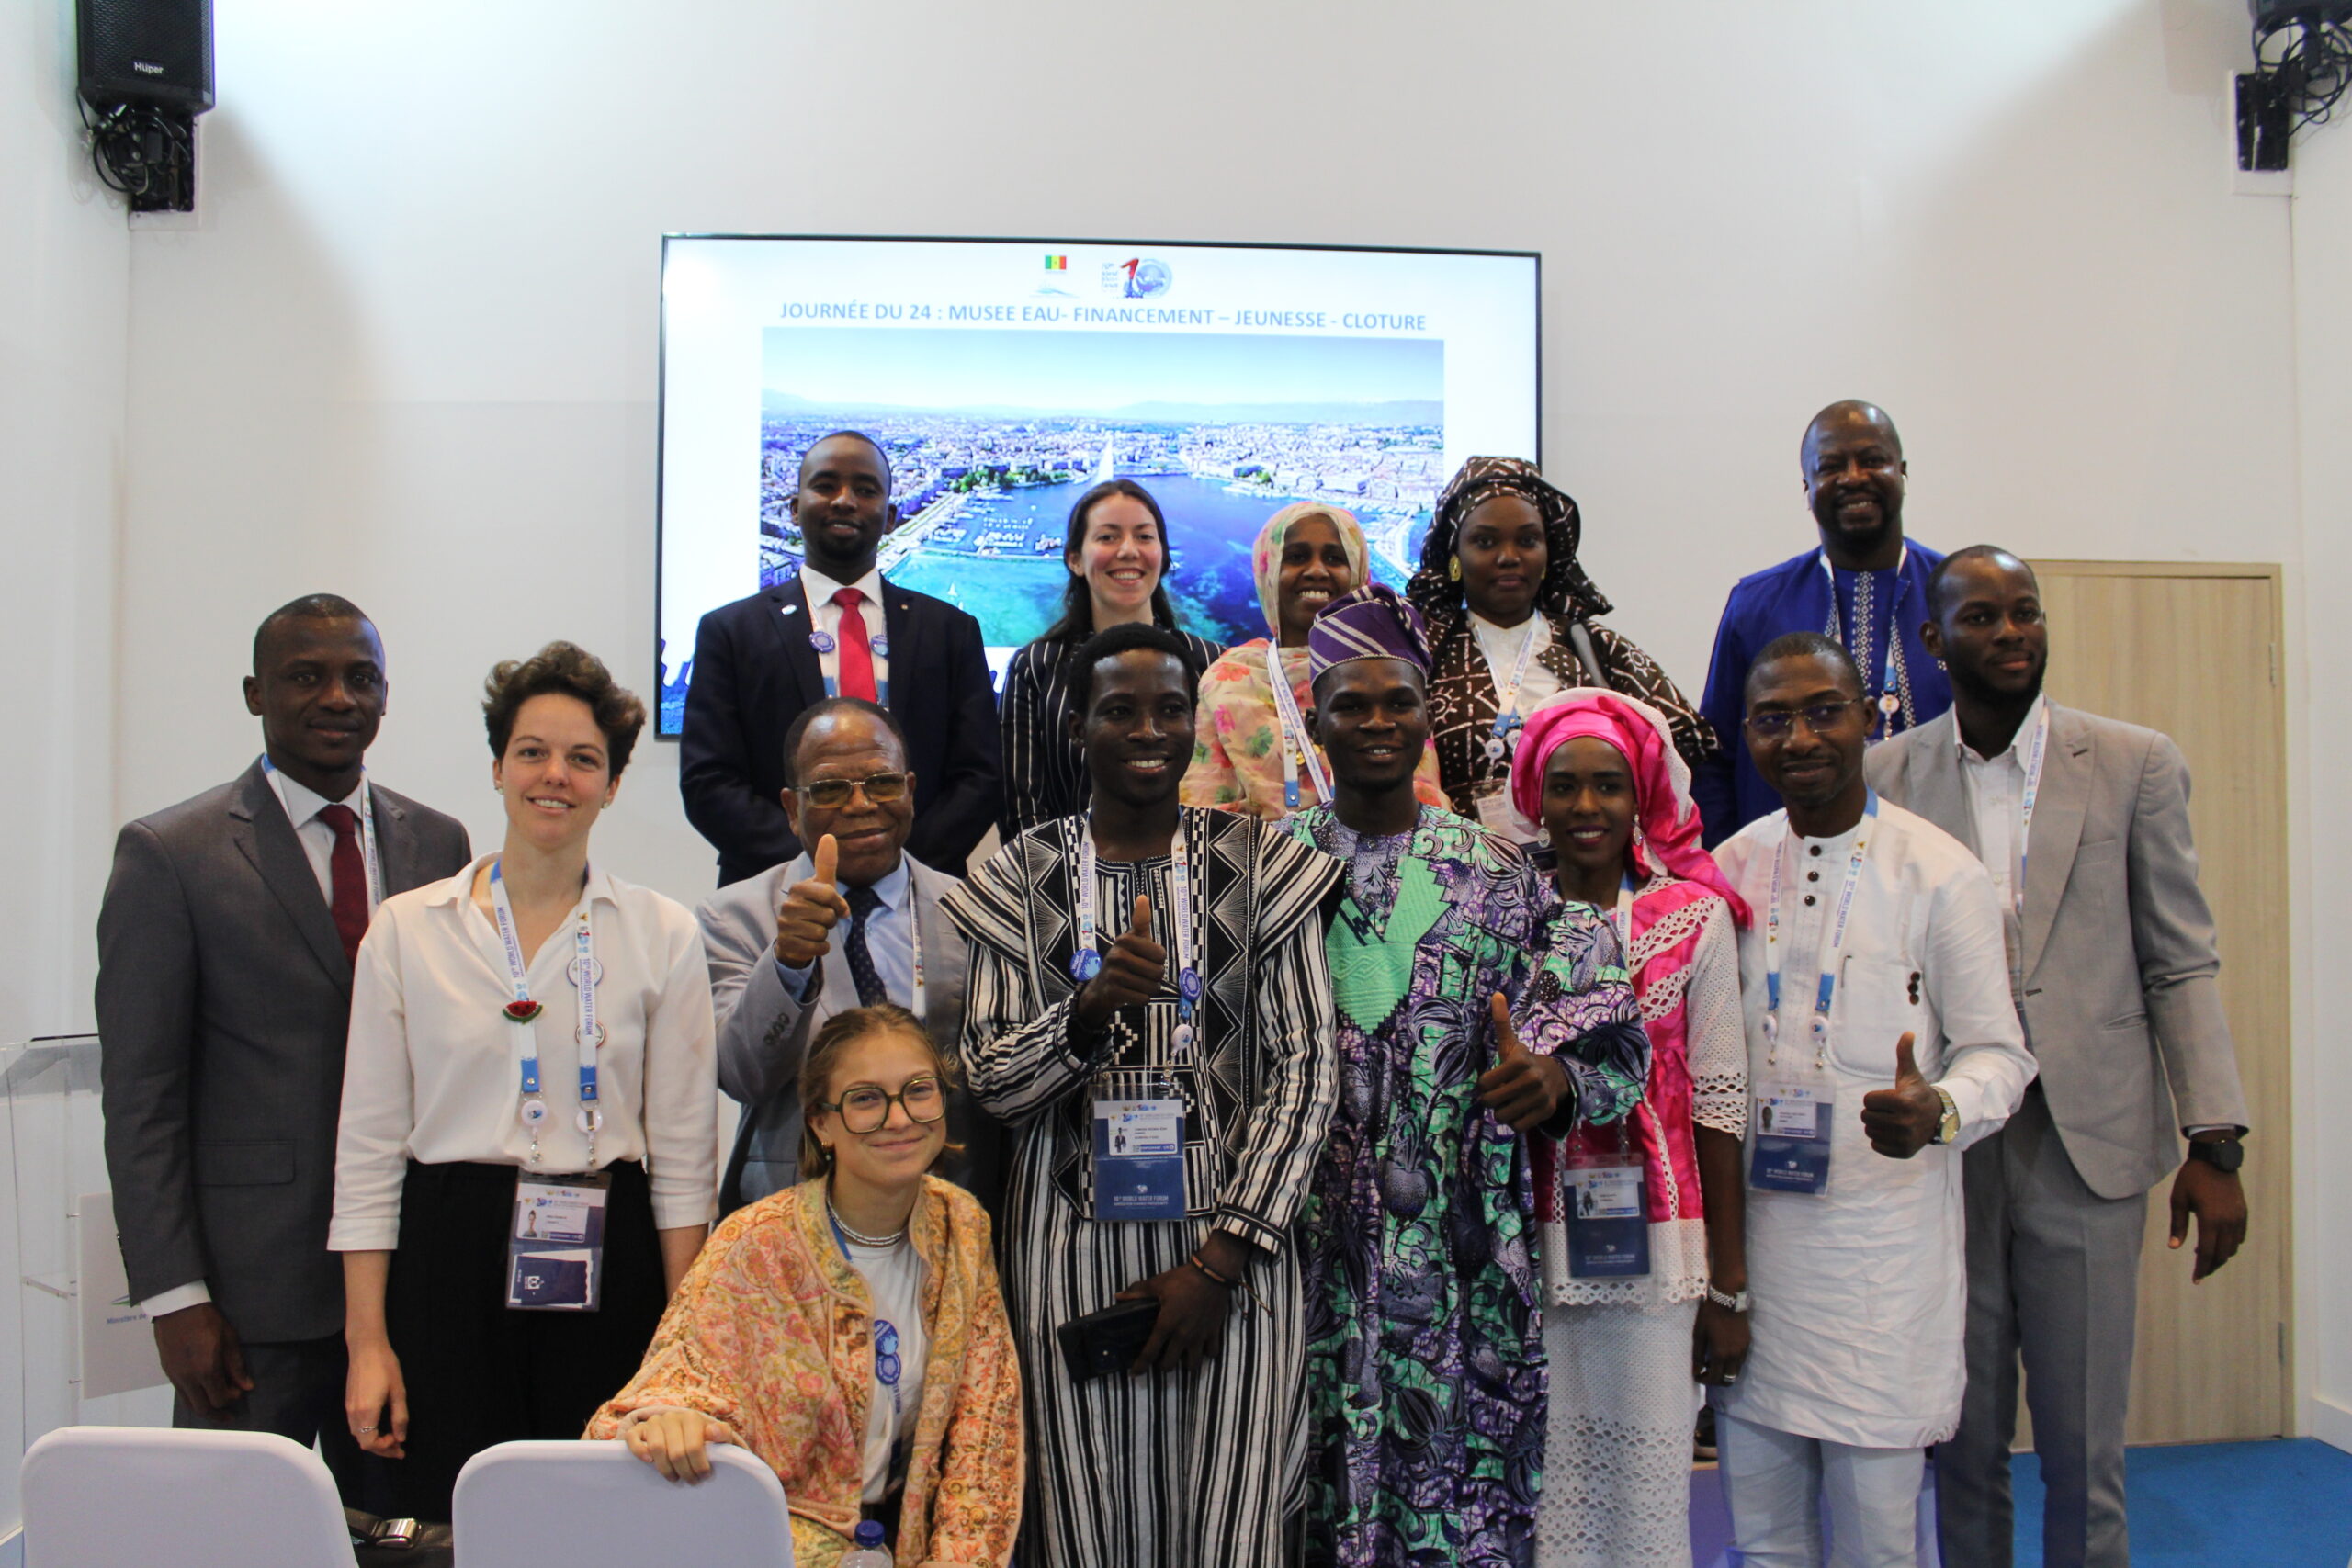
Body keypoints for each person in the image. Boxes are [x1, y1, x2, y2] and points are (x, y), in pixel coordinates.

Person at [1867, 547, 2251, 1568]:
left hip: (2089, 1140)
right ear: (1934, 640)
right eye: (1982, 617)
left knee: (2085, 1445)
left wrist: (2216, 1141)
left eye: (2026, 612)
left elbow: (2180, 960)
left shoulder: (2133, 762)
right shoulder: (1888, 775)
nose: (2011, 633)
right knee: (1962, 1435)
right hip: (1950, 1143)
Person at [939, 621, 1342, 1568]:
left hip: (1236, 1260)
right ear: (1076, 726)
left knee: (1230, 1528)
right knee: (1089, 1522)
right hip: (1071, 1258)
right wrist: (1082, 1018)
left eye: (1169, 710)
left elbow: (1307, 1070)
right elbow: (991, 1079)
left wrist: (1218, 1265)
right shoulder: (1017, 876)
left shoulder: (1264, 865)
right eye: (1119, 711)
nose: (1148, 731)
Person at [1286, 586, 1650, 1567]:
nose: (1376, 722)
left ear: (1426, 717)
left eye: (1398, 702)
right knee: (1302, 1492)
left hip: (1461, 1256)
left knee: (1457, 1498)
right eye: (1351, 704)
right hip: (1301, 1257)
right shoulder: (1269, 871)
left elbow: (1613, 1030)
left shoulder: (1501, 873)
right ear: (1315, 722)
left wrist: (1557, 1080)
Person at [96, 595, 471, 1504]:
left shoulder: (439, 844)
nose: (338, 697)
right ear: (255, 693)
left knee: (406, 1541)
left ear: (385, 695)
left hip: (407, 1285)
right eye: (307, 676)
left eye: (361, 677)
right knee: (231, 1537)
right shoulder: (171, 854)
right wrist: (175, 1298)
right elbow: (142, 1097)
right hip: (246, 1305)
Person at [332, 641, 718, 1518]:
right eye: (532, 752)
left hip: (610, 1248)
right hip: (447, 1254)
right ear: (498, 767)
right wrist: (367, 1341)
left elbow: (685, 1160)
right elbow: (367, 1151)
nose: (556, 776)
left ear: (611, 784)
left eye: (583, 758)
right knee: (453, 1514)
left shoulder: (661, 933)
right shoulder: (407, 930)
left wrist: (683, 1354)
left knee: (601, 1518)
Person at [1711, 632, 2033, 1567]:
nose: (1800, 738)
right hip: (1758, 1264)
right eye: (1773, 719)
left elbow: (2000, 1054)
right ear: (1747, 734)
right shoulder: (1726, 871)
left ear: (1865, 718)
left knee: (1878, 1544)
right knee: (1764, 1541)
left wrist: (1940, 1109)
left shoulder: (1939, 872)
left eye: (1824, 712)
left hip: (1881, 1272)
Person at [589, 1004, 1023, 1565]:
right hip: (769, 1547)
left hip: (905, 1544)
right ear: (821, 1123)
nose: (898, 1119)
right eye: (865, 1099)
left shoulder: (961, 1226)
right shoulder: (756, 1241)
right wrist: (669, 1422)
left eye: (918, 1091)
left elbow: (985, 1429)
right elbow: (671, 1387)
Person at [1509, 688, 1753, 1568]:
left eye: (1608, 785)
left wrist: (1728, 1286)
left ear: (1641, 794)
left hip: (1659, 1255)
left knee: (1646, 1501)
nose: (1586, 806)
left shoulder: (1692, 917)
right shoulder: (1503, 915)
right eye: (1565, 785)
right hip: (1526, 1251)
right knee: (1538, 1496)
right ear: (1535, 796)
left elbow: (1718, 1104)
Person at [699, 695, 1001, 1214]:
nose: (861, 805)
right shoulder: (734, 916)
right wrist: (788, 964)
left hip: (945, 1207)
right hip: (794, 1211)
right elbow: (743, 1077)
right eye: (829, 789)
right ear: (792, 809)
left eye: (882, 783)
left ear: (909, 791)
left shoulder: (972, 909)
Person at [680, 430, 1001, 884]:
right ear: (795, 508)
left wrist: (893, 867)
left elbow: (980, 776)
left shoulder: (951, 631)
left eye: (866, 490)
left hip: (921, 891)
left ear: (890, 517)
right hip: (775, 892)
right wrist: (820, 867)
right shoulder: (730, 632)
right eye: (826, 486)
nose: (845, 501)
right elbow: (709, 782)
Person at [1405, 456, 1713, 841]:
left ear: (1549, 553)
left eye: (1527, 541)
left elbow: (1686, 745)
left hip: (1584, 868)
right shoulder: (1424, 654)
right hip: (1459, 868)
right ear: (1455, 558)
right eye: (1485, 542)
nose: (1508, 557)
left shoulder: (1593, 647)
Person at [1694, 400, 1951, 846]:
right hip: (1782, 863)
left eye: (1872, 460)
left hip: (1932, 861)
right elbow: (1715, 756)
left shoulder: (1953, 596)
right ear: (1807, 487)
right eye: (1831, 467)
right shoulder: (1756, 604)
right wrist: (1726, 869)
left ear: (1902, 472)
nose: (1853, 477)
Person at [1182, 502, 1444, 818]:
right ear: (1268, 571)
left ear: (1358, 571)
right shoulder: (1229, 679)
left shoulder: (1392, 671)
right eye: (1296, 557)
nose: (1317, 571)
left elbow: (1424, 801)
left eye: (1335, 559)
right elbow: (1202, 814)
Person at [998, 479, 1222, 836]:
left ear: (1163, 556)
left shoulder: (1212, 664)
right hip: (1067, 868)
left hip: (1197, 866)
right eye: (1108, 537)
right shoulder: (1036, 668)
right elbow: (1022, 807)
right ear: (1074, 559)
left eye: (1144, 536)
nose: (1128, 550)